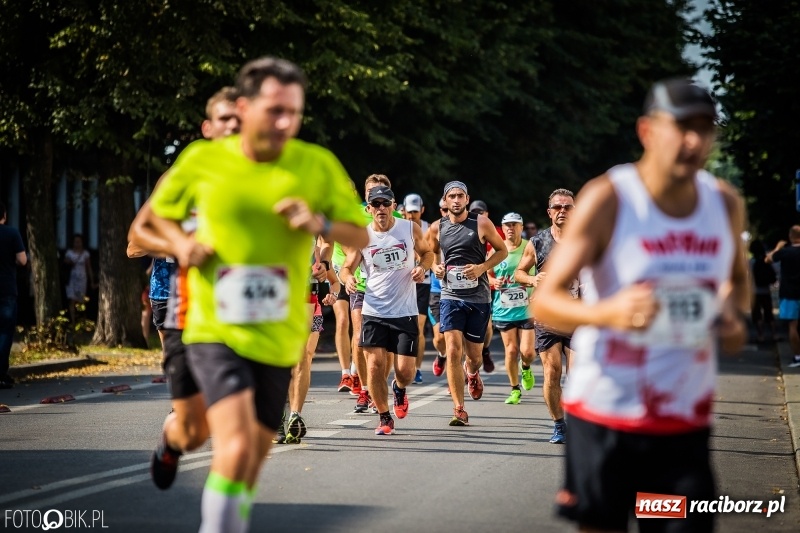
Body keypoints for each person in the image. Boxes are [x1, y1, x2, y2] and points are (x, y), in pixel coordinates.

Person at [141, 57, 368, 532]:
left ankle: (179, 447)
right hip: (211, 327)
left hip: (278, 333)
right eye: (275, 110)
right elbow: (150, 222)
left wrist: (318, 223)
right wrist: (183, 244)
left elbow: (359, 235)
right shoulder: (204, 160)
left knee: (251, 458)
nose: (286, 123)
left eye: (295, 112)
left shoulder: (315, 164)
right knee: (236, 443)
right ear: (244, 108)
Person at [532, 78, 748, 532]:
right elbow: (545, 301)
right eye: (682, 126)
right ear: (648, 131)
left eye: (706, 128)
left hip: (680, 428)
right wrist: (607, 313)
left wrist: (729, 316)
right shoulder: (609, 199)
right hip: (605, 417)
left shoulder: (723, 204)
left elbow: (736, 285)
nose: (694, 140)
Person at [127, 86, 240, 491]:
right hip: (182, 306)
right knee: (194, 429)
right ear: (208, 128)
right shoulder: (180, 178)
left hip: (239, 310)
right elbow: (135, 241)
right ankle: (173, 440)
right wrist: (182, 247)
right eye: (225, 119)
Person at [340, 186, 434, 434]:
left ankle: (400, 389)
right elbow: (346, 267)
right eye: (376, 204)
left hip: (404, 310)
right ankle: (384, 417)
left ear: (394, 205)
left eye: (385, 203)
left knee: (405, 372)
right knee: (374, 366)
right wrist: (348, 278)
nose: (381, 208)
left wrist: (422, 268)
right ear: (368, 208)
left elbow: (427, 253)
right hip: (373, 310)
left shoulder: (408, 228)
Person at [429, 181, 507, 426]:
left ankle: (472, 372)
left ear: (466, 198)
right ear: (444, 200)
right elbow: (429, 254)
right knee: (452, 349)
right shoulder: (436, 228)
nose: (455, 200)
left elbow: (502, 251)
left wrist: (482, 268)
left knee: (473, 356)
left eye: (460, 196)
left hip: (478, 297)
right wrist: (435, 267)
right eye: (451, 196)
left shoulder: (481, 223)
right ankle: (459, 409)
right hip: (450, 295)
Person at [514, 188, 578, 444]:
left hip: (578, 318)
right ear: (549, 212)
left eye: (568, 207)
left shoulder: (585, 240)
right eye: (558, 207)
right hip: (548, 318)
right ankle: (559, 425)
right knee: (552, 372)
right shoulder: (537, 241)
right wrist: (532, 278)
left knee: (578, 375)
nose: (563, 211)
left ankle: (579, 422)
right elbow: (519, 272)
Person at [489, 212, 536, 405]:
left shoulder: (529, 246)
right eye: (507, 225)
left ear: (521, 226)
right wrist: (494, 282)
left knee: (527, 352)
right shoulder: (497, 249)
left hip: (528, 306)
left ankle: (525, 367)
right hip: (504, 308)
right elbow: (486, 274)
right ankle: (515, 389)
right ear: (502, 227)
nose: (510, 228)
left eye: (514, 225)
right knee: (511, 351)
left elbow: (541, 269)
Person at [468, 199, 500, 373]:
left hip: (492, 288)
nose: (478, 215)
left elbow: (503, 253)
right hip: (468, 287)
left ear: (487, 214)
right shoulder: (464, 228)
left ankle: (485, 350)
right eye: (475, 212)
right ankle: (468, 370)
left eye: (481, 212)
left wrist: (485, 267)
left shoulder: (494, 230)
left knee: (487, 328)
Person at [403, 192, 430, 384]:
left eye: (415, 212)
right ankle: (404, 365)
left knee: (418, 327)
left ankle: (417, 368)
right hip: (402, 284)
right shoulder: (398, 228)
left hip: (423, 284)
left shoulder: (429, 228)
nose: (412, 215)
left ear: (422, 210)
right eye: (409, 212)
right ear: (403, 211)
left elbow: (433, 253)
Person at [0, 201, 27, 389]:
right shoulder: (11, 233)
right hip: (6, 288)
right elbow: (22, 260)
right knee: (4, 332)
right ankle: (1, 373)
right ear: (4, 215)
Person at [766, 226, 800, 367]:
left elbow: (768, 260)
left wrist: (777, 247)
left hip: (789, 293)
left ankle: (798, 357)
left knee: (793, 326)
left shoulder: (785, 252)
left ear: (790, 236)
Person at [749, 240, 777, 342]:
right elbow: (774, 273)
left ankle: (761, 335)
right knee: (769, 313)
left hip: (754, 291)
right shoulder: (767, 260)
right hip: (766, 290)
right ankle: (774, 335)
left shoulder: (751, 262)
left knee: (757, 314)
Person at [64, 234, 94, 323]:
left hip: (82, 279)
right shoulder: (69, 253)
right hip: (71, 279)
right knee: (72, 300)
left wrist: (91, 280)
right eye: (75, 242)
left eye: (79, 242)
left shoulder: (85, 254)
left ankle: (81, 321)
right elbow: (64, 263)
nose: (77, 244)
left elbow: (89, 267)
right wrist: (69, 262)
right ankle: (73, 321)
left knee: (81, 301)